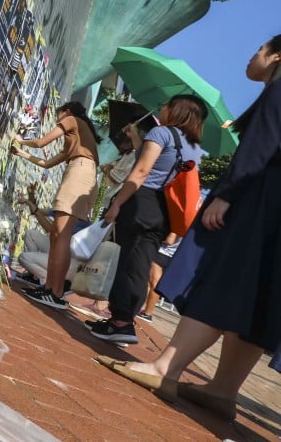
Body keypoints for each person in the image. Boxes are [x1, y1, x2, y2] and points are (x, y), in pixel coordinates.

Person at [98, 35, 281, 420]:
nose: (252, 56)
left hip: (257, 200)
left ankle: (165, 368)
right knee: (254, 296)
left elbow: (259, 148)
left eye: (259, 49)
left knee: (221, 280)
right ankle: (223, 389)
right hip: (275, 212)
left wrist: (226, 194)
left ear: (277, 55)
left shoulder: (279, 90)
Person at [89, 94, 207, 345]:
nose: (163, 108)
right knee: (140, 263)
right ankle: (123, 319)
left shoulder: (162, 134)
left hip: (140, 202)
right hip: (165, 211)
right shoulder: (194, 148)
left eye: (167, 105)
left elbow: (141, 171)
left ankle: (121, 322)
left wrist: (117, 203)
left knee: (126, 261)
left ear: (178, 111)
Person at [11, 101, 101, 309]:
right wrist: (22, 153)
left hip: (80, 172)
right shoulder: (76, 141)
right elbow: (47, 163)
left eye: (57, 115)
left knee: (61, 233)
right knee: (57, 234)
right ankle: (51, 288)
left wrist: (21, 140)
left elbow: (42, 142)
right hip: (80, 172)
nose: (56, 119)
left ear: (66, 111)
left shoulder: (72, 120)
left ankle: (55, 291)